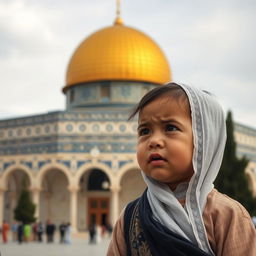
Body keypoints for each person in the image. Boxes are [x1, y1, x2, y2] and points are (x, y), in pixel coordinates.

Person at [107, 83, 256, 255]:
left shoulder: (226, 215)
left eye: (170, 128)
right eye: (144, 131)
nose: (154, 140)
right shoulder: (131, 217)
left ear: (203, 141)